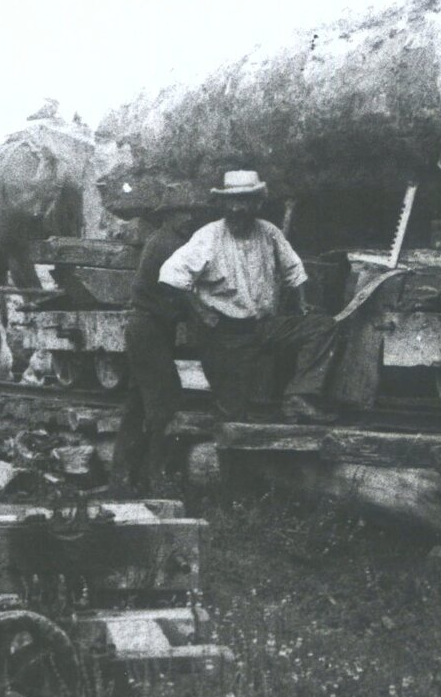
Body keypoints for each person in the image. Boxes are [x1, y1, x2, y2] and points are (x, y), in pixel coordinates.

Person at [156, 170, 339, 424]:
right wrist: (201, 312)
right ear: (221, 204)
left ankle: (299, 396)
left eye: (244, 201)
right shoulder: (209, 236)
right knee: (233, 416)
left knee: (321, 326)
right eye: (231, 201)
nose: (237, 208)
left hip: (263, 327)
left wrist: (302, 302)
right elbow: (171, 277)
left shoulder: (269, 233)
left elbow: (294, 270)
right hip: (224, 335)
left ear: (257, 204)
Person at [109, 199, 202, 494]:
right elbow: (184, 291)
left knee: (138, 402)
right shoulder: (170, 245)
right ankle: (153, 477)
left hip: (147, 327)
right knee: (165, 400)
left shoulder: (162, 239)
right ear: (168, 216)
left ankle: (123, 476)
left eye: (192, 213)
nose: (189, 218)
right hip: (149, 327)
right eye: (183, 212)